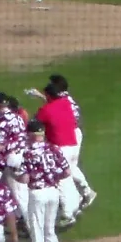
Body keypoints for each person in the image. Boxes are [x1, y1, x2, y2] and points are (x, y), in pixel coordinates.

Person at [11, 120, 69, 242]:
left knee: (37, 235)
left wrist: (14, 175)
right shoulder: (54, 149)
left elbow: (25, 179)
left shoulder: (28, 154)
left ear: (31, 135)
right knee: (50, 232)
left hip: (37, 195)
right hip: (53, 193)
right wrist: (51, 176)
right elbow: (66, 172)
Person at [36, 83, 97, 227]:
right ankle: (76, 205)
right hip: (73, 144)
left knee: (60, 180)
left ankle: (68, 214)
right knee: (68, 176)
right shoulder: (65, 103)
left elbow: (37, 123)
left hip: (60, 148)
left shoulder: (45, 110)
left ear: (49, 96)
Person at [0, 92, 29, 222]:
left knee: (19, 196)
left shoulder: (0, 122)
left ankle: (31, 226)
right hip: (24, 154)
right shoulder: (17, 116)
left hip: (12, 158)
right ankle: (13, 217)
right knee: (0, 188)